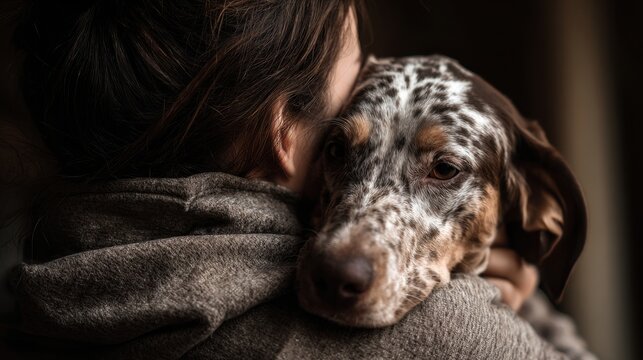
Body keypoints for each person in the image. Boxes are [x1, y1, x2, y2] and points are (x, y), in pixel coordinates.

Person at [2, 0, 593, 358]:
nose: (349, 249)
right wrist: (490, 305)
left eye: (443, 168)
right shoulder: (453, 338)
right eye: (340, 144)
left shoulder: (49, 261)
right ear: (285, 130)